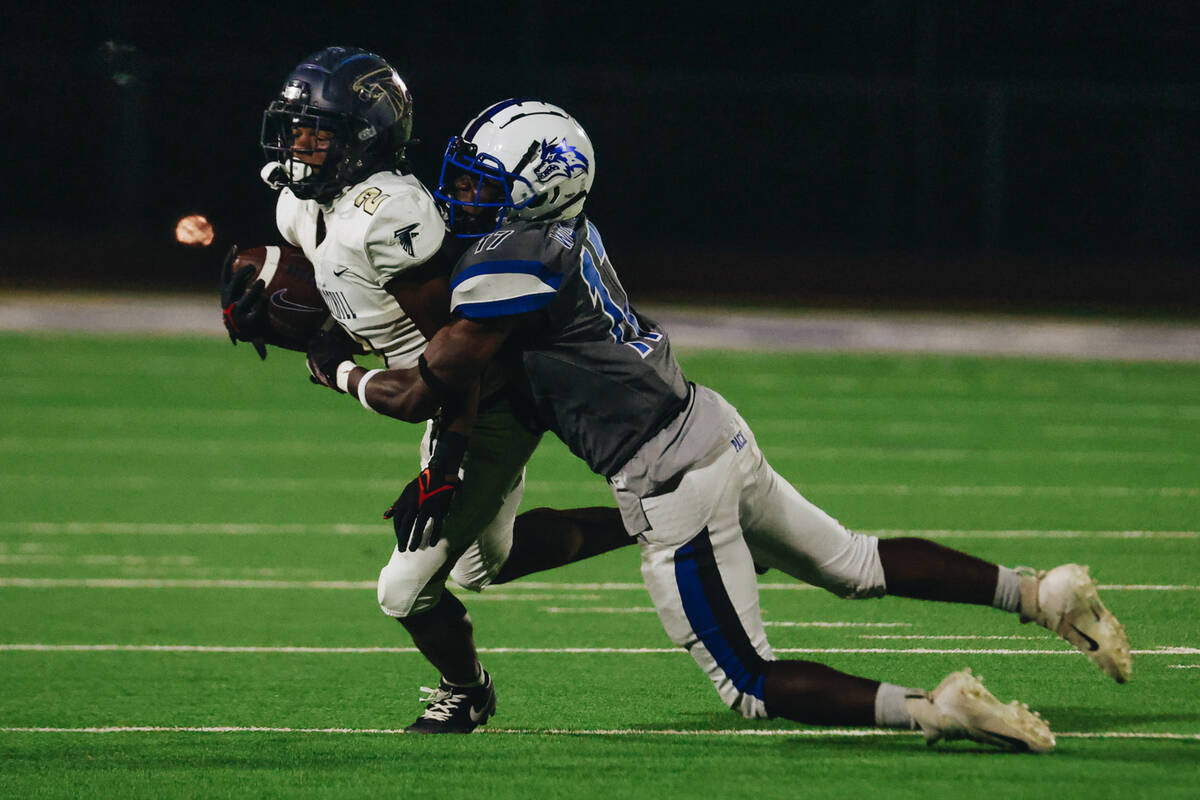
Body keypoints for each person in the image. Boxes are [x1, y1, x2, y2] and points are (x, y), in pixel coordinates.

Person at [305, 98, 1133, 752]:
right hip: (708, 423)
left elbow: (430, 383)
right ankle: (1039, 593)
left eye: (485, 180)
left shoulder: (511, 260)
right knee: (852, 562)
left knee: (749, 681)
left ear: (539, 186)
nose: (462, 192)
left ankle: (934, 710)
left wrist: (330, 362)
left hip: (669, 477)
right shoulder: (565, 236)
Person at [220, 49, 632, 734]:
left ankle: (464, 692)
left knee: (403, 590)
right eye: (293, 129)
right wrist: (283, 302)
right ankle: (666, 523)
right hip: (441, 391)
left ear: (361, 138)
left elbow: (454, 346)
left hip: (481, 397)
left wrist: (439, 455)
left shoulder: (390, 214)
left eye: (314, 131)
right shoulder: (302, 204)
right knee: (481, 564)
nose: (296, 144)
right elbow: (343, 288)